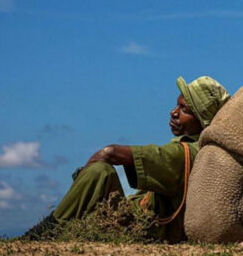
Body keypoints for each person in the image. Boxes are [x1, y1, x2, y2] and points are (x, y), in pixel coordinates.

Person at [22, 75, 230, 242]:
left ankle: (44, 234)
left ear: (202, 121)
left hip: (141, 230)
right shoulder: (199, 151)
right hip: (134, 220)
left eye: (184, 109)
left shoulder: (187, 153)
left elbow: (111, 153)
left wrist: (90, 175)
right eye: (177, 106)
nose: (173, 112)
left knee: (100, 171)